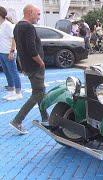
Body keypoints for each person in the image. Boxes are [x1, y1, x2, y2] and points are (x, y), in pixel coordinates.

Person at [9, 4, 48, 135]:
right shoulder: (28, 27)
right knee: (38, 93)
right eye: (38, 14)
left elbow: (21, 49)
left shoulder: (17, 26)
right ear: (30, 12)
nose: (39, 17)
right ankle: (17, 121)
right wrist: (41, 62)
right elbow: (31, 50)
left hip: (28, 66)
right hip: (35, 67)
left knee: (40, 91)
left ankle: (45, 118)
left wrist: (23, 66)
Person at [0, 6, 22, 101]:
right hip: (2, 52)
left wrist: (12, 52)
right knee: (7, 73)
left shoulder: (8, 25)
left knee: (13, 72)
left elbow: (14, 38)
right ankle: (11, 91)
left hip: (9, 53)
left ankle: (18, 93)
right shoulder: (1, 25)